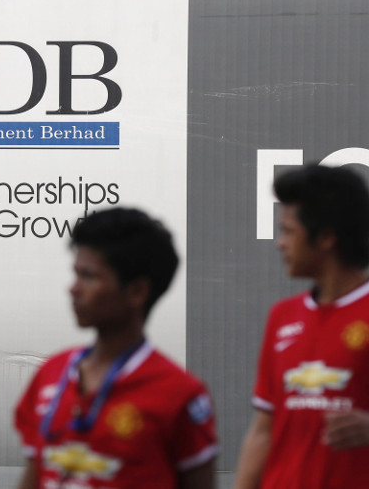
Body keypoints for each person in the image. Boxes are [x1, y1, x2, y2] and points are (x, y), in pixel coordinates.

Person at [233, 164, 369, 489]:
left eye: (288, 231)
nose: (280, 243)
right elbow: (264, 431)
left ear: (327, 238)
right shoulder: (282, 316)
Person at [14, 207, 219, 489]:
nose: (73, 289)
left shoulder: (180, 394)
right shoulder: (51, 373)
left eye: (88, 277)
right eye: (75, 275)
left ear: (137, 292)